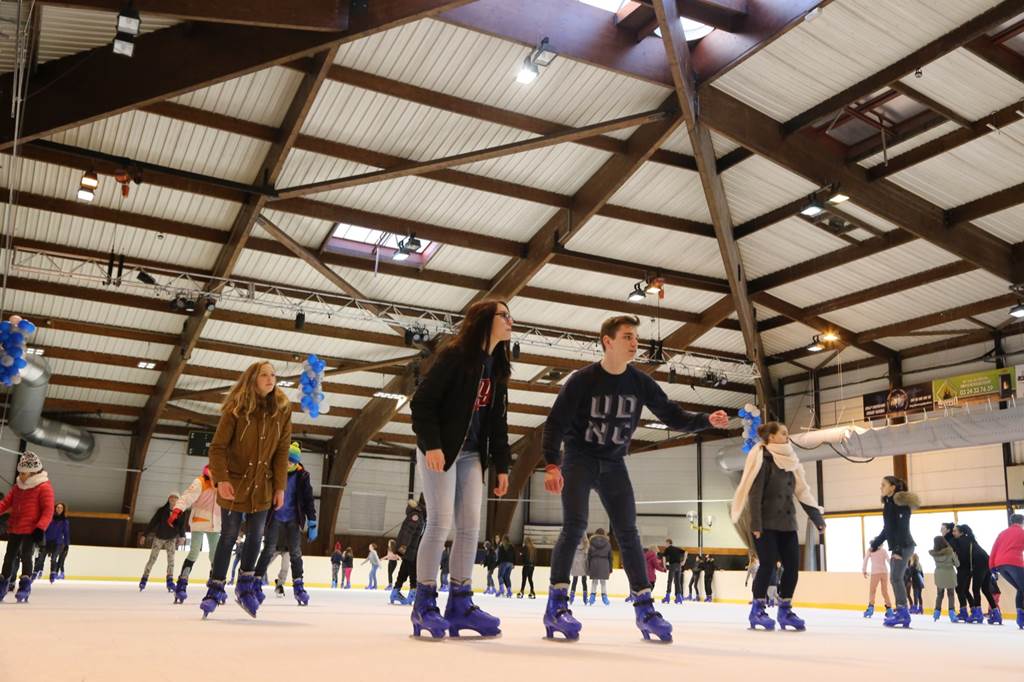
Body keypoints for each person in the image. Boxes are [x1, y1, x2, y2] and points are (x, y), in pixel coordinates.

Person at [542, 314, 729, 642]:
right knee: (574, 525)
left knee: (629, 532)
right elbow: (555, 422)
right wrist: (552, 464)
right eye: (627, 336)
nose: (635, 343)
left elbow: (672, 415)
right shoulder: (582, 380)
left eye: (635, 337)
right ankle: (557, 605)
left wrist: (705, 420)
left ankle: (644, 608)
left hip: (614, 462)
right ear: (608, 341)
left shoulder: (640, 383)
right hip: (580, 458)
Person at [407, 298, 512, 639]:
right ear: (484, 321)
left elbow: (497, 422)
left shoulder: (496, 366)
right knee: (439, 522)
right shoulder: (456, 357)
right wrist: (433, 444)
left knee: (469, 527)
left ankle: (460, 604)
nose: (511, 321)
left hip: (471, 455)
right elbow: (422, 403)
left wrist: (502, 466)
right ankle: (424, 605)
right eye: (504, 316)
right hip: (440, 448)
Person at [200, 360, 292, 619]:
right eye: (264, 375)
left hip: (263, 486)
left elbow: (282, 451)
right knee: (228, 537)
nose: (270, 379)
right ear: (253, 378)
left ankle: (245, 587)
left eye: (273, 375)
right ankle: (215, 589)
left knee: (256, 536)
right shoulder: (236, 409)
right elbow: (217, 448)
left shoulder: (282, 411)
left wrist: (280, 487)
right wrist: (222, 479)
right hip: (235, 485)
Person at [731, 421, 826, 632]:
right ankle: (757, 610)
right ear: (771, 437)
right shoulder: (763, 459)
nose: (787, 436)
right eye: (783, 433)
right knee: (767, 565)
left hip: (788, 523)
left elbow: (803, 491)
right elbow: (754, 495)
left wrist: (817, 518)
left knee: (792, 567)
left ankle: (785, 610)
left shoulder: (791, 461)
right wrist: (755, 524)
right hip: (765, 524)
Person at [253, 441, 317, 606]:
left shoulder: (303, 476)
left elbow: (309, 500)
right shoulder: (274, 473)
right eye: (287, 460)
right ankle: (256, 583)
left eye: (292, 461)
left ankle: (298, 585)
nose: (289, 463)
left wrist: (312, 521)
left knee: (295, 553)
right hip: (275, 517)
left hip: (293, 520)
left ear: (297, 462)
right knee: (268, 550)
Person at [0, 452, 54, 603]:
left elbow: (48, 510)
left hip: (31, 530)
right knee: (8, 557)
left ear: (33, 472)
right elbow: (5, 503)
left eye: (23, 473)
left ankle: (24, 586)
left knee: (26, 557)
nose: (21, 476)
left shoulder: (44, 487)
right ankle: (2, 584)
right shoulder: (18, 486)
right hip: (15, 527)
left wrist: (40, 528)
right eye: (20, 473)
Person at [868, 476, 919, 628]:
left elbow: (902, 527)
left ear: (893, 487)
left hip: (904, 545)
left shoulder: (900, 504)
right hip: (899, 546)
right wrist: (876, 544)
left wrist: (897, 549)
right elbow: (888, 529)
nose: (881, 487)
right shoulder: (889, 504)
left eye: (883, 484)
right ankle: (901, 612)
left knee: (896, 578)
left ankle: (903, 613)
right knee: (895, 578)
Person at [169, 465, 221, 604]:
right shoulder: (200, 482)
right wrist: (177, 510)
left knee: (215, 556)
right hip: (199, 520)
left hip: (215, 523)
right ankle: (182, 583)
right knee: (194, 552)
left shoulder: (223, 483)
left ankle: (215, 585)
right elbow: (187, 497)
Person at [140, 492, 187, 593]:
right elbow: (153, 522)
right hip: (159, 537)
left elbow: (182, 526)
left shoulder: (181, 513)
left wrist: (182, 536)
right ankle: (144, 578)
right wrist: (144, 534)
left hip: (171, 538)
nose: (173, 499)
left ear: (178, 500)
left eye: (175, 498)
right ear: (168, 499)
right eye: (171, 497)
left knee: (171, 561)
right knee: (152, 559)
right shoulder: (162, 511)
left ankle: (170, 581)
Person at [952, 524, 997, 624]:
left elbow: (964, 559)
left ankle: (978, 614)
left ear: (961, 533)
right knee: (985, 589)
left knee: (975, 589)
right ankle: (996, 613)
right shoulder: (970, 539)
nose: (953, 533)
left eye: (955, 531)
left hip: (979, 563)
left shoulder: (961, 540)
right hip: (987, 560)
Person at [989, 513, 1024, 630]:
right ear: (1022, 522)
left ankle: (1020, 617)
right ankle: (1021, 617)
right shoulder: (1021, 533)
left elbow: (994, 549)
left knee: (1021, 588)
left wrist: (992, 567)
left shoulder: (1002, 533)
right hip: (1015, 563)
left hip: (1000, 565)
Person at [390, 496, 426, 606]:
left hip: (414, 547)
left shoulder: (422, 515)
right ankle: (413, 593)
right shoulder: (417, 515)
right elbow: (408, 532)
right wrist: (402, 548)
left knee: (405, 568)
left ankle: (396, 591)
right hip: (411, 548)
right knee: (413, 569)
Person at [34, 502, 69, 583]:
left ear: (63, 510)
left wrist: (66, 545)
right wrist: (40, 540)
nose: (59, 509)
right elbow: (44, 529)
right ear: (55, 508)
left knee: (53, 559)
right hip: (47, 541)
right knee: (41, 558)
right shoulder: (50, 518)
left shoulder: (65, 521)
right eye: (58, 507)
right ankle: (35, 572)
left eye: (61, 508)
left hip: (58, 542)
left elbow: (66, 533)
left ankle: (53, 574)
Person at [930, 535, 959, 622]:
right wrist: (955, 557)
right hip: (949, 574)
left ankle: (936, 613)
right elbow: (957, 564)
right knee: (951, 594)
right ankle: (952, 614)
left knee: (939, 595)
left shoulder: (934, 554)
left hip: (939, 574)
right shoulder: (950, 552)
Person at [942, 521, 968, 617]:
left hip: (963, 566)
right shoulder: (950, 540)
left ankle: (965, 611)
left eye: (942, 529)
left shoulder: (951, 540)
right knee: (963, 589)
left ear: (948, 530)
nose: (941, 531)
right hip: (961, 566)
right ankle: (968, 610)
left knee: (961, 589)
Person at [861, 545, 893, 619]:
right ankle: (889, 609)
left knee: (872, 590)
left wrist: (864, 570)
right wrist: (893, 570)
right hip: (884, 572)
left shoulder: (870, 550)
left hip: (875, 572)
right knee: (885, 591)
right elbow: (889, 561)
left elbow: (865, 560)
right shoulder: (883, 550)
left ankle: (870, 608)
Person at [587, 528, 612, 606]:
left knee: (594, 582)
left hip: (594, 562)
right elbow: (610, 557)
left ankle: (592, 597)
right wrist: (610, 568)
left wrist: (588, 566)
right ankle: (605, 598)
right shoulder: (608, 544)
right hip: (604, 563)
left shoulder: (591, 542)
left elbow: (589, 556)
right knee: (603, 582)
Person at [660, 538, 686, 605]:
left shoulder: (667, 549)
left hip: (673, 566)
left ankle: (667, 597)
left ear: (668, 543)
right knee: (677, 581)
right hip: (679, 566)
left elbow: (664, 557)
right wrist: (683, 561)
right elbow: (686, 552)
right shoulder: (677, 548)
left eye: (666, 543)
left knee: (670, 581)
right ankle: (678, 597)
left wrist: (664, 566)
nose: (665, 545)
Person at [569, 537, 589, 604]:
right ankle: (585, 598)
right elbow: (587, 559)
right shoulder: (585, 549)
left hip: (576, 566)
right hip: (583, 567)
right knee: (584, 582)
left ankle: (571, 597)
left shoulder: (573, 549)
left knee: (574, 581)